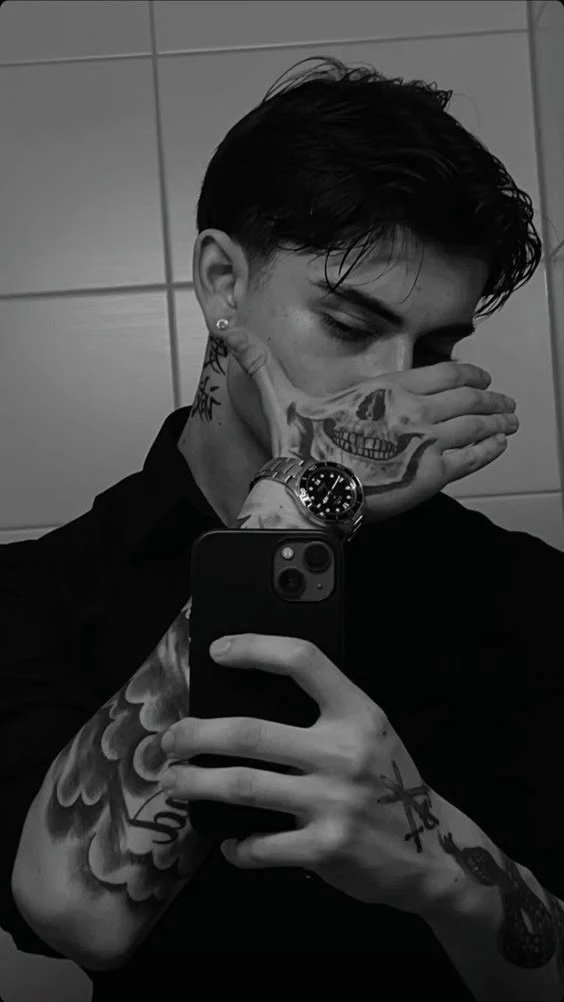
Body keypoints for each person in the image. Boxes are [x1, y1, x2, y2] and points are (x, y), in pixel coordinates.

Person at [2, 55, 564, 1001]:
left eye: (434, 348)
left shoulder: (522, 590)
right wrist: (302, 503)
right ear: (224, 282)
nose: (393, 389)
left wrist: (442, 870)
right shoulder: (37, 594)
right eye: (349, 326)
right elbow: (74, 913)